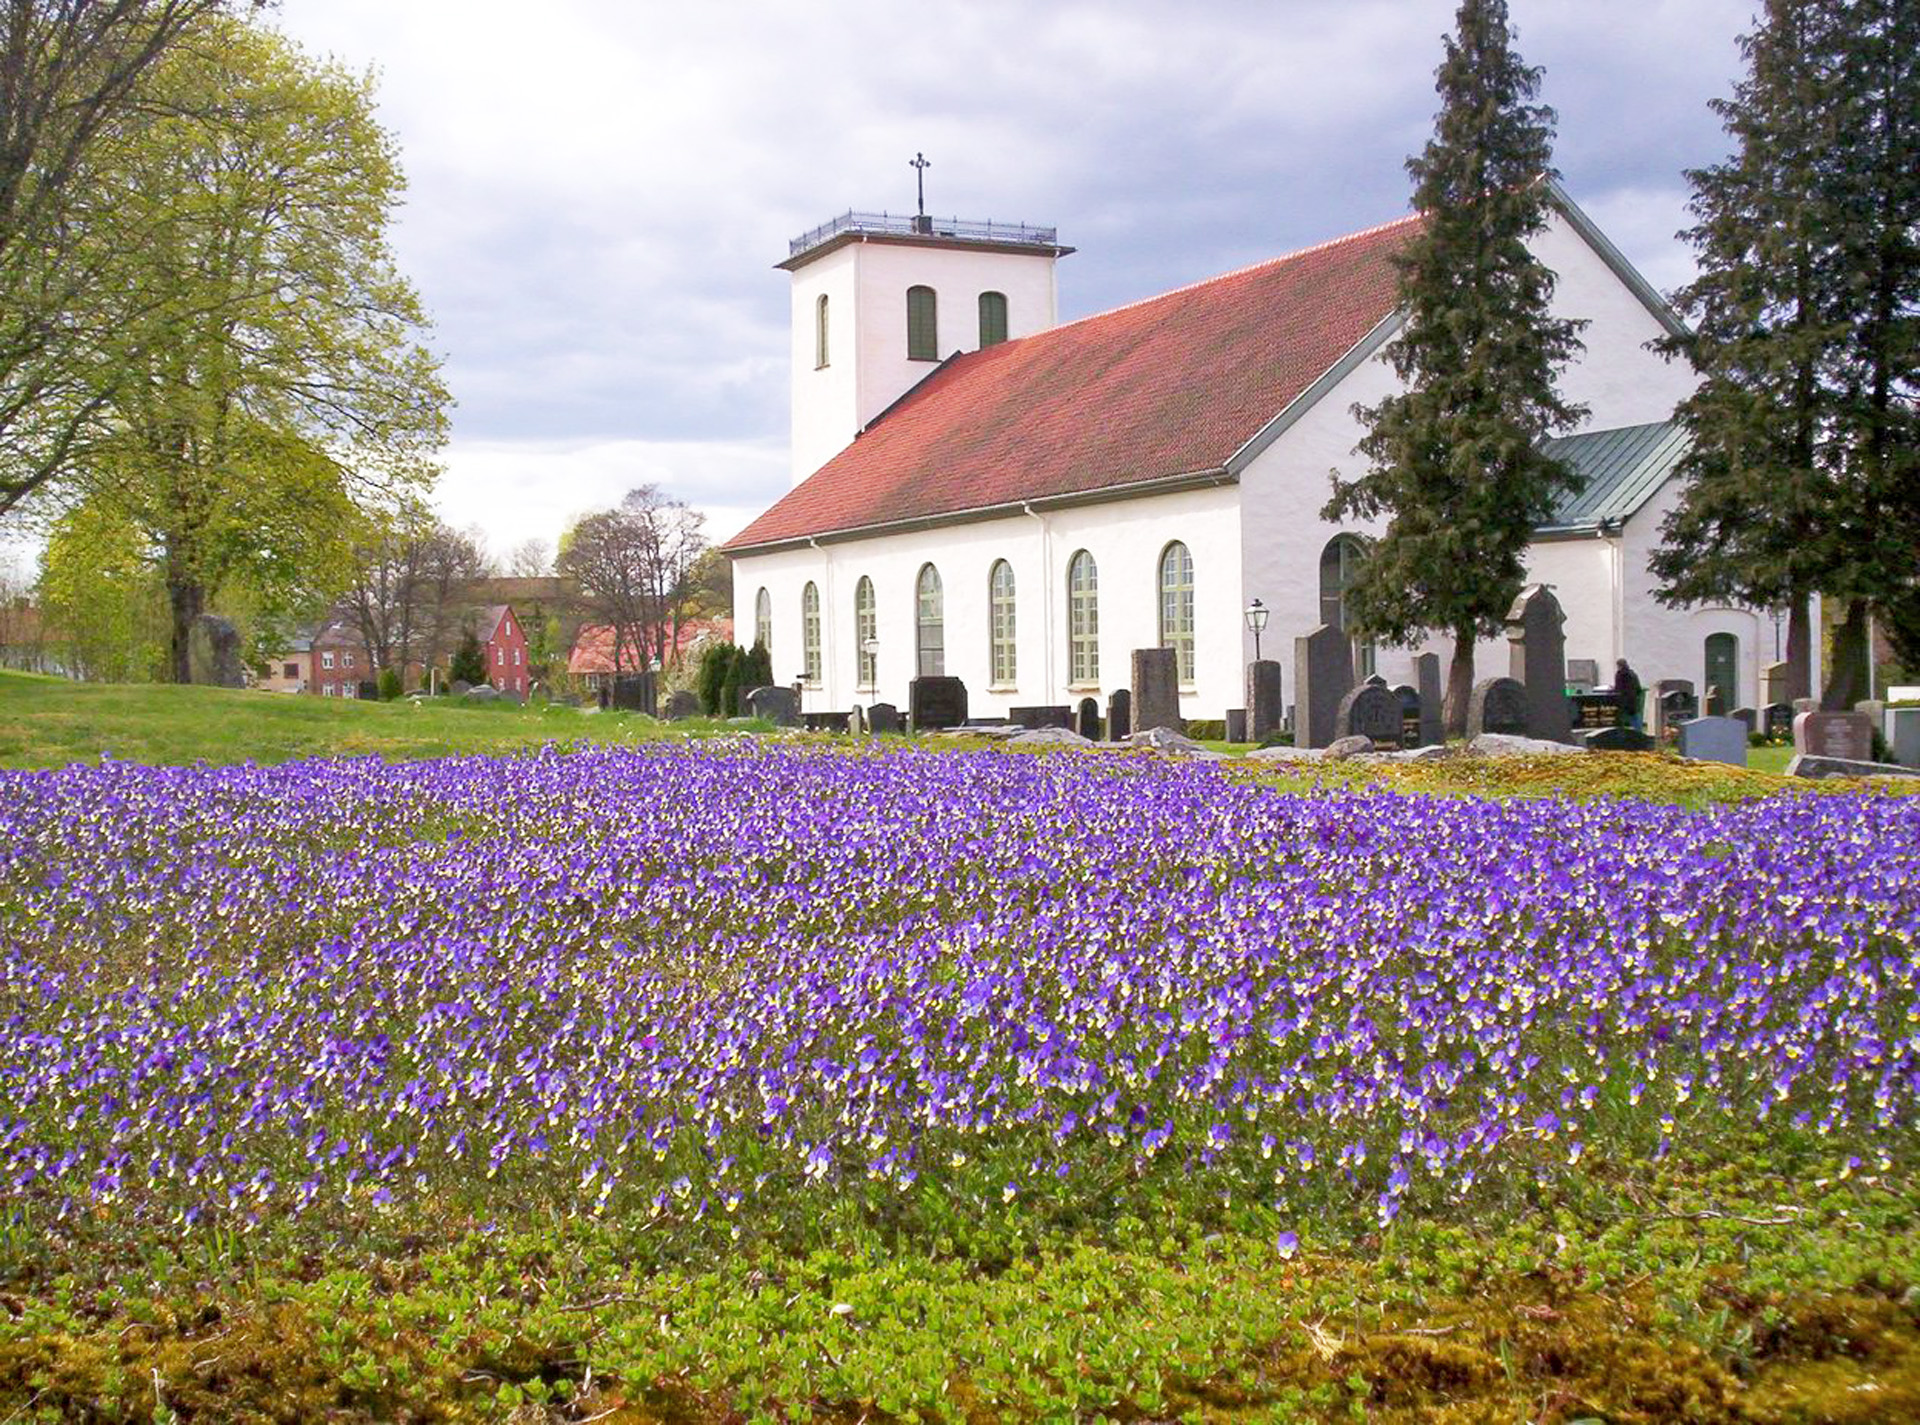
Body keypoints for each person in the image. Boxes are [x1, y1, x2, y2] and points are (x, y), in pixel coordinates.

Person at [1613, 658, 1644, 731]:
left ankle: (1621, 732)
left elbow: (1618, 688)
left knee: (1620, 717)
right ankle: (1638, 732)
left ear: (1619, 666)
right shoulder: (1633, 674)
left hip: (1622, 699)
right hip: (1633, 699)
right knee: (1634, 716)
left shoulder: (1619, 674)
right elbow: (1638, 688)